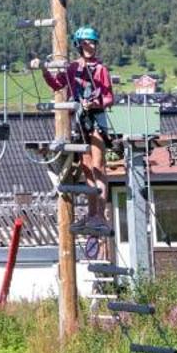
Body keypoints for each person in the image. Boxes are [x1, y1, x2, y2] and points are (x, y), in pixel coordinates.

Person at [39, 25, 115, 227]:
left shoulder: (100, 70)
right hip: (81, 120)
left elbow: (109, 98)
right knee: (87, 167)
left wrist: (95, 103)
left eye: (93, 42)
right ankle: (92, 214)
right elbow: (57, 84)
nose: (91, 46)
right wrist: (44, 70)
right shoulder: (73, 68)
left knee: (98, 165)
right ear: (79, 45)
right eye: (87, 42)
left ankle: (101, 213)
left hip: (96, 118)